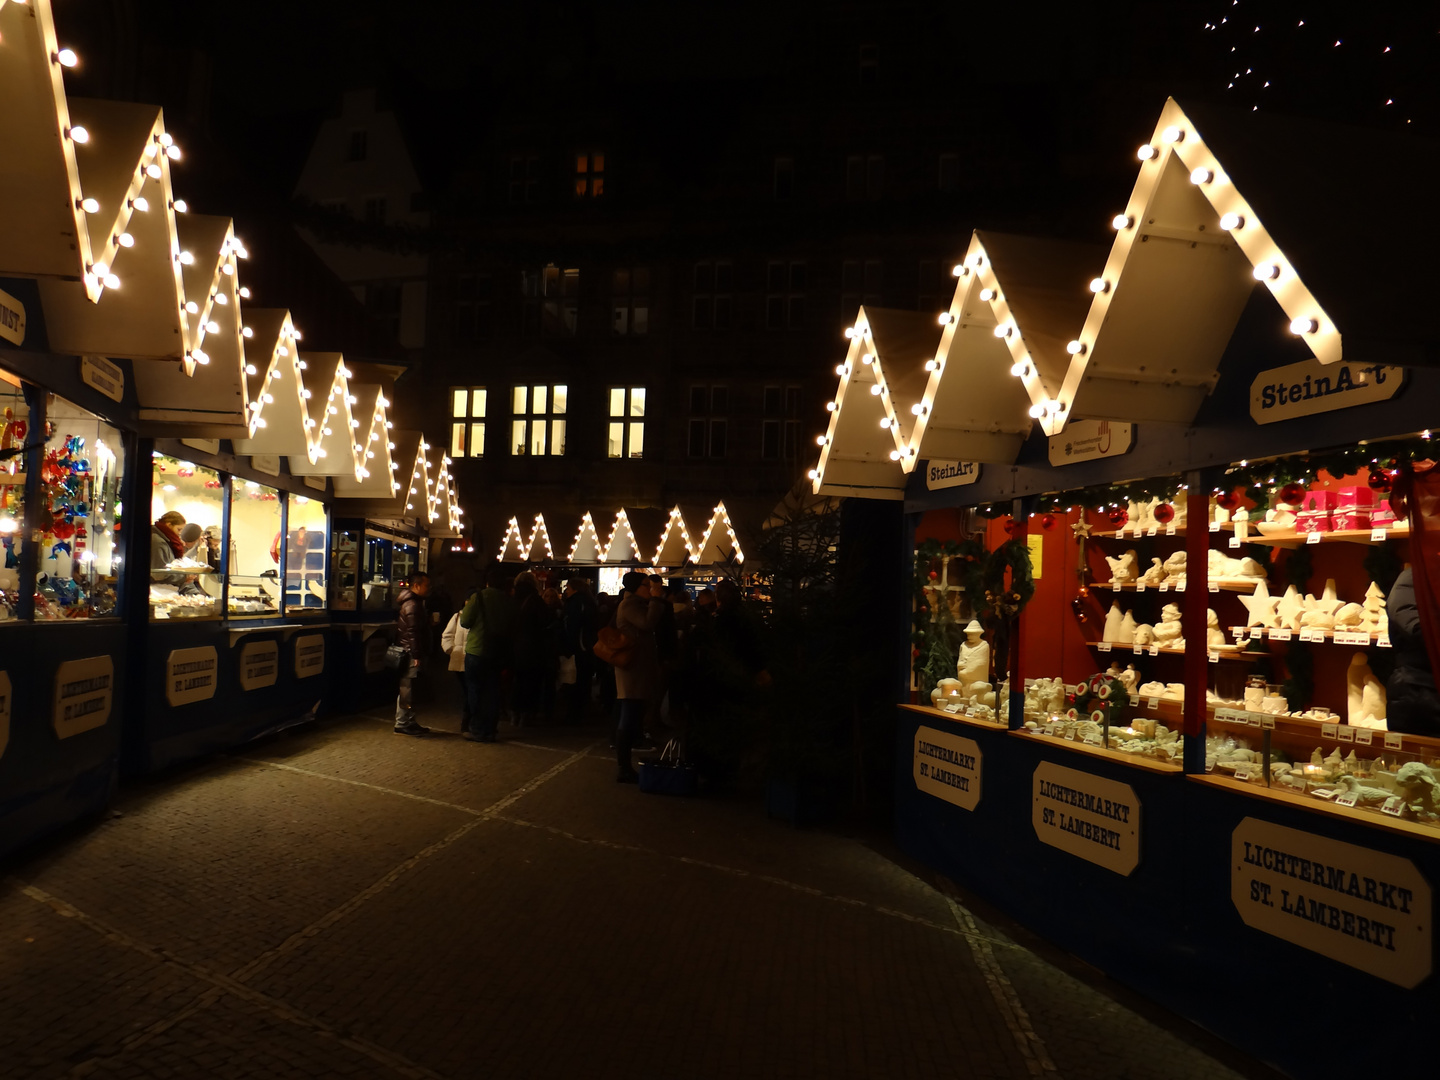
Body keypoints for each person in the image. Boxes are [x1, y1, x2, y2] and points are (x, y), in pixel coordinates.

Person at [614, 571, 667, 783]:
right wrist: (655, 598)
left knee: (632, 715)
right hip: (631, 670)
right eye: (646, 585)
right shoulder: (629, 606)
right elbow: (646, 623)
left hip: (638, 669)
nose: (650, 588)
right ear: (637, 587)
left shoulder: (636, 603)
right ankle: (623, 767)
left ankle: (625, 765)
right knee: (628, 716)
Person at [460, 565, 516, 742]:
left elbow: (465, 621)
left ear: (487, 582)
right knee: (493, 691)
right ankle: (491, 728)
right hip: (497, 652)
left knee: (475, 689)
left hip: (477, 650)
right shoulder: (508, 601)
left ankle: (477, 728)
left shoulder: (479, 598)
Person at [1386, 567, 1440, 736]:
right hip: (1418, 690)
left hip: (1425, 687)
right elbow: (1416, 627)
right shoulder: (1413, 580)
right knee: (1417, 758)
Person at [393, 571, 431, 736]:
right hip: (410, 652)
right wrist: (416, 655)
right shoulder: (412, 605)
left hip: (410, 650)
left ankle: (408, 721)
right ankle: (402, 722)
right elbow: (413, 631)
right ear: (416, 585)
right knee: (407, 688)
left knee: (409, 688)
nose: (428, 588)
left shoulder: (413, 603)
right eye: (426, 585)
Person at [560, 578, 598, 723]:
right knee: (583, 681)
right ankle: (581, 711)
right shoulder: (589, 602)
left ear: (574, 589)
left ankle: (574, 714)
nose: (566, 591)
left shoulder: (576, 603)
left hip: (578, 647)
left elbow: (573, 626)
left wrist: (568, 646)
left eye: (568, 588)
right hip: (586, 646)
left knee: (574, 681)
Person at [441, 593, 472, 734]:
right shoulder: (457, 616)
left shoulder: (478, 617)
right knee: (469, 691)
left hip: (472, 659)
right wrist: (451, 650)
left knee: (471, 691)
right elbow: (447, 635)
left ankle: (467, 721)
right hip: (459, 659)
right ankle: (467, 722)